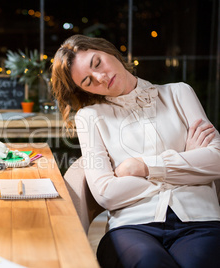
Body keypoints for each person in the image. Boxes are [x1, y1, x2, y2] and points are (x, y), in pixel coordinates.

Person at [51, 34, 220, 268]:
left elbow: (217, 161)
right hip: (131, 227)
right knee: (148, 262)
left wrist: (140, 168)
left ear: (108, 51)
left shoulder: (179, 93)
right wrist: (186, 166)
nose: (101, 77)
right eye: (88, 82)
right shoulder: (90, 117)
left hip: (200, 220)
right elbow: (106, 193)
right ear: (86, 91)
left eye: (97, 63)